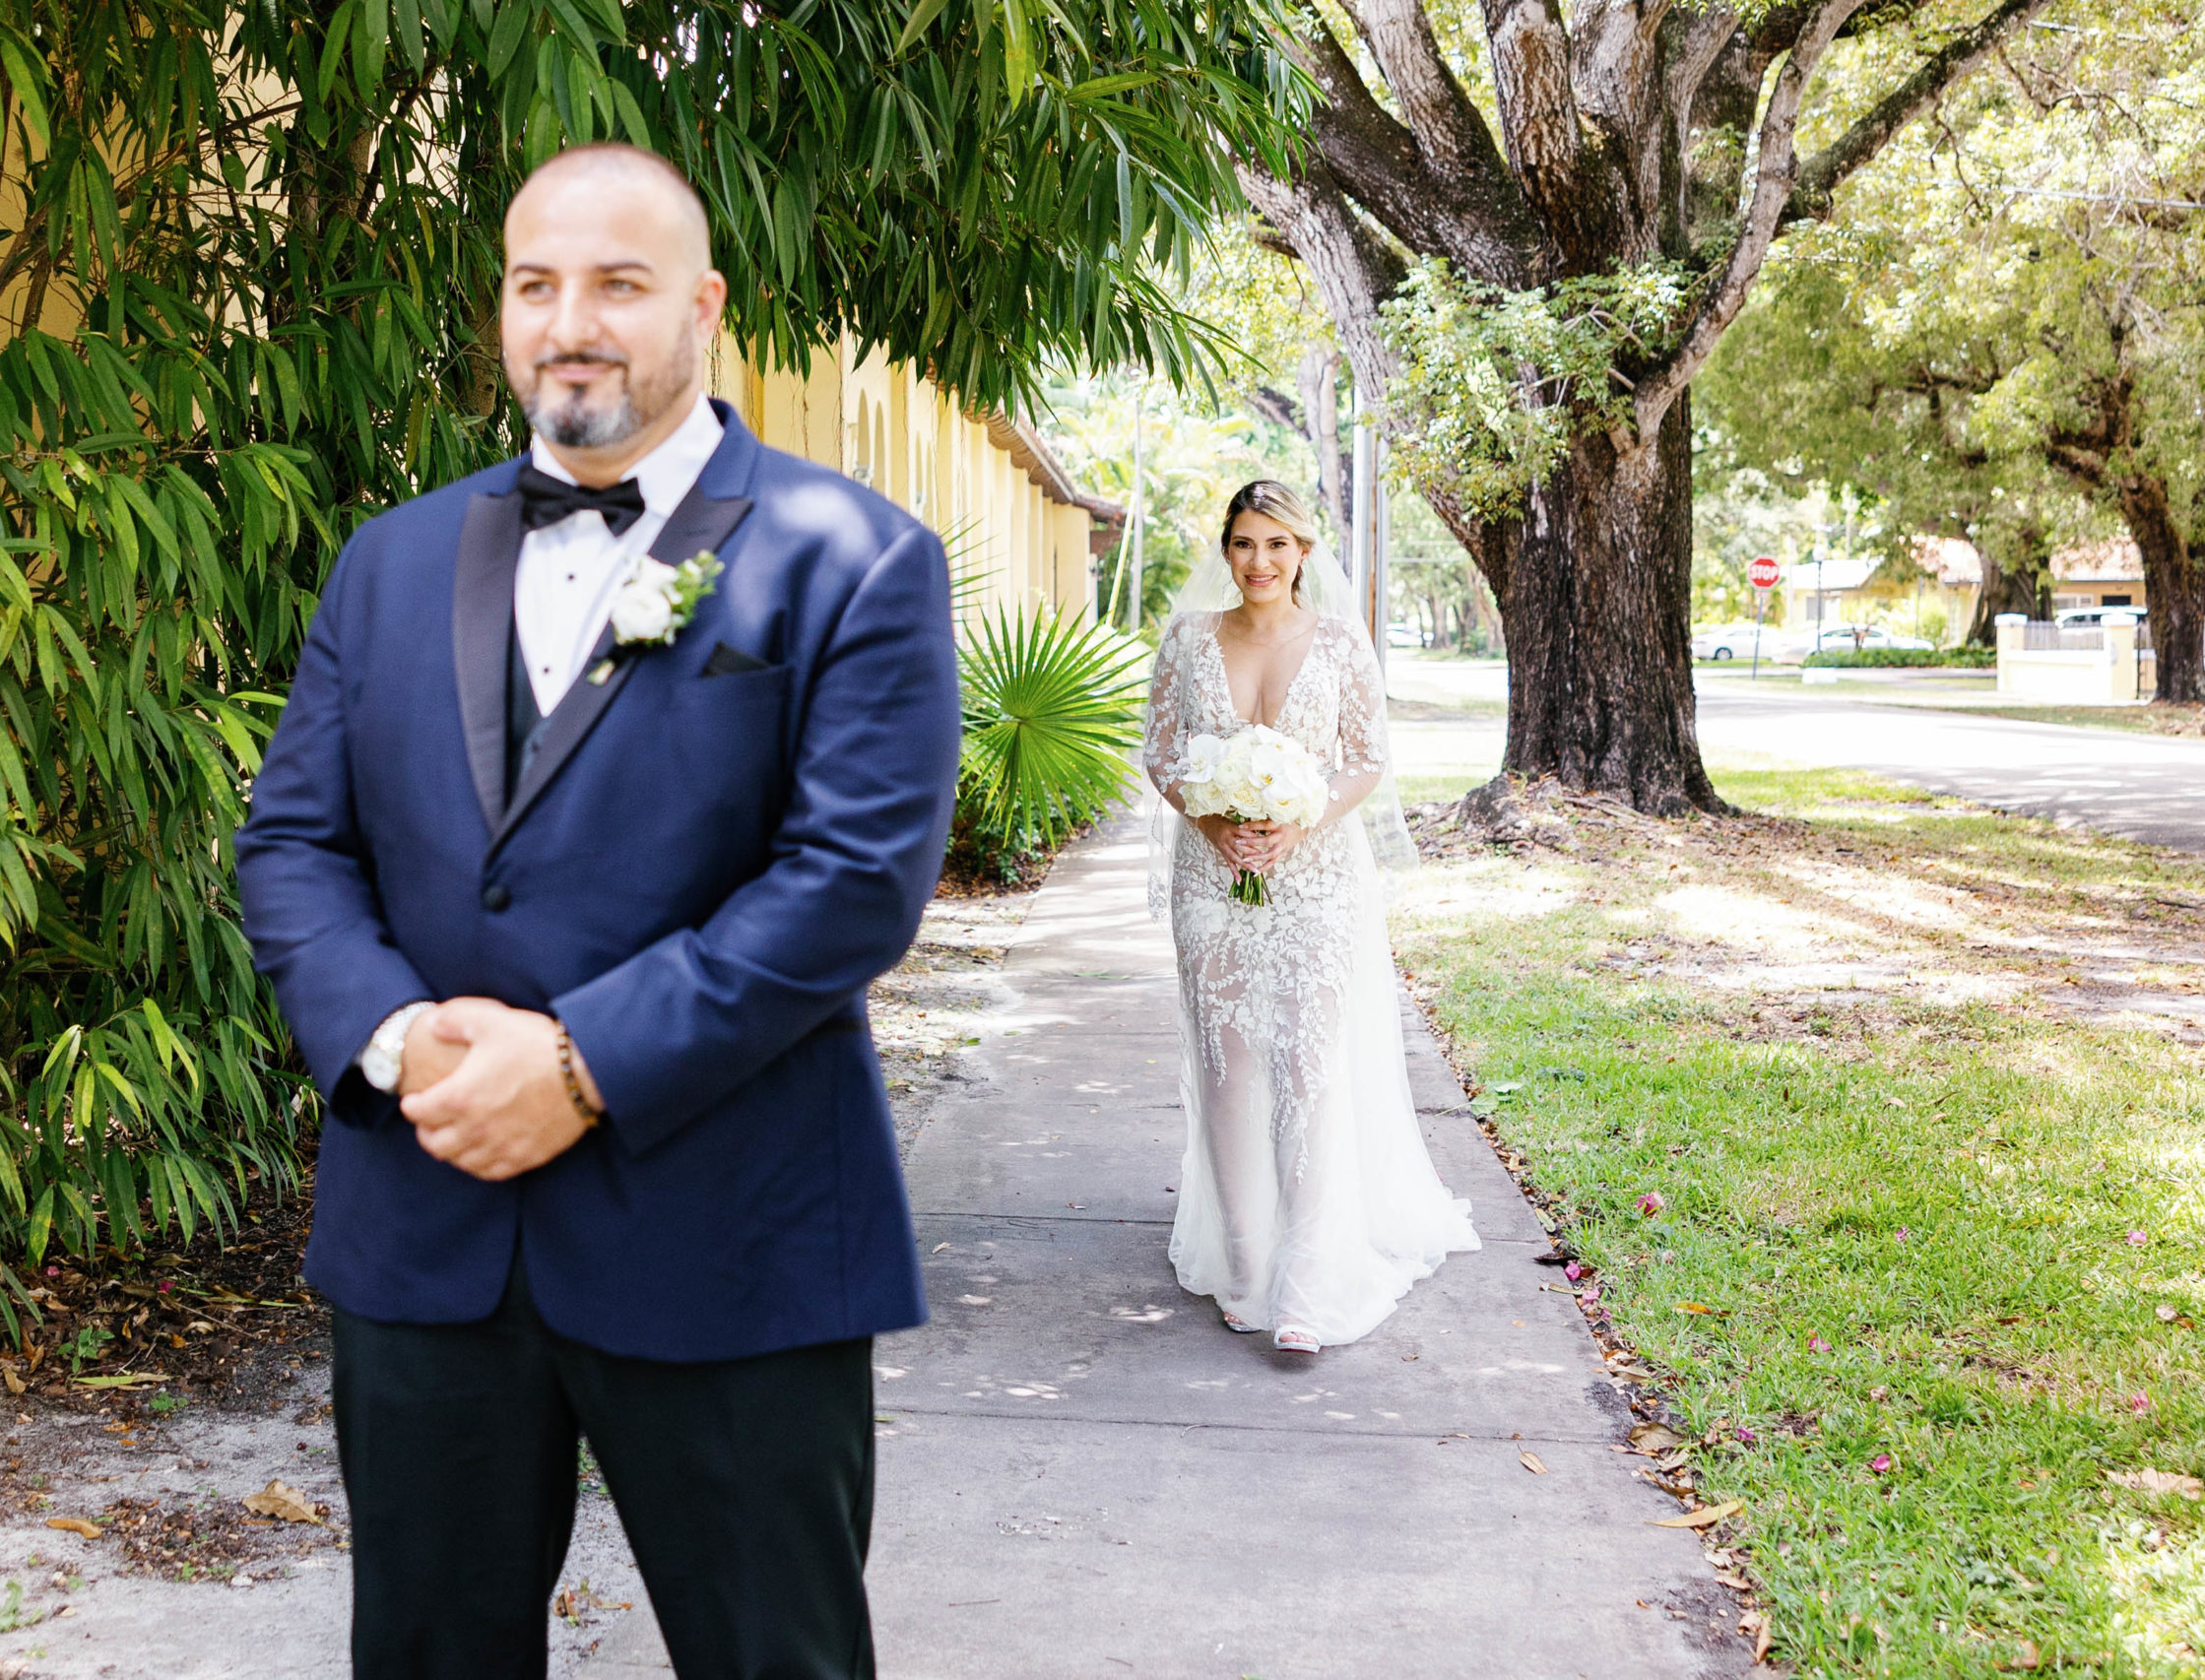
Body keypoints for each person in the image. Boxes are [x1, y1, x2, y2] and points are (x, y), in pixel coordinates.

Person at [233, 143, 961, 1679]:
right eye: (536, 282)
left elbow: (850, 886)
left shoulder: (855, 556)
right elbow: (294, 843)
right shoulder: (387, 562)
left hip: (733, 1233)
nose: (573, 319)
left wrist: (576, 1065)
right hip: (426, 1235)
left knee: (778, 1657)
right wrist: (399, 1037)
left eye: (618, 284)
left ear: (701, 307)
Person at [1140, 481, 1478, 1353]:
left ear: (1305, 554)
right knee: (1227, 1068)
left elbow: (1366, 759)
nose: (1260, 562)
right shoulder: (1187, 641)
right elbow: (1161, 751)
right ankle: (1247, 1267)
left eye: (1278, 544)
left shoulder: (1338, 642)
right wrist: (1214, 823)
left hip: (1319, 878)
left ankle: (1308, 1283)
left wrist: (1299, 822)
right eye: (1245, 544)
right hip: (1212, 880)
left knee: (1307, 1069)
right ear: (1226, 550)